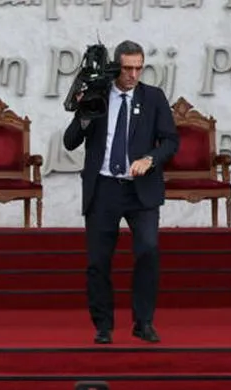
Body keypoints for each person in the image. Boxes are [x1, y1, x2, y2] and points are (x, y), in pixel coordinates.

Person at [63, 40, 178, 345]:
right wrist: (85, 112)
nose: (133, 74)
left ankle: (144, 322)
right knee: (98, 261)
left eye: (139, 68)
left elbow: (171, 141)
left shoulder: (153, 98)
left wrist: (150, 159)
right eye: (127, 68)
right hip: (104, 190)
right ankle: (103, 326)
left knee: (148, 250)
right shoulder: (98, 95)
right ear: (116, 66)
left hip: (141, 191)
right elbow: (70, 140)